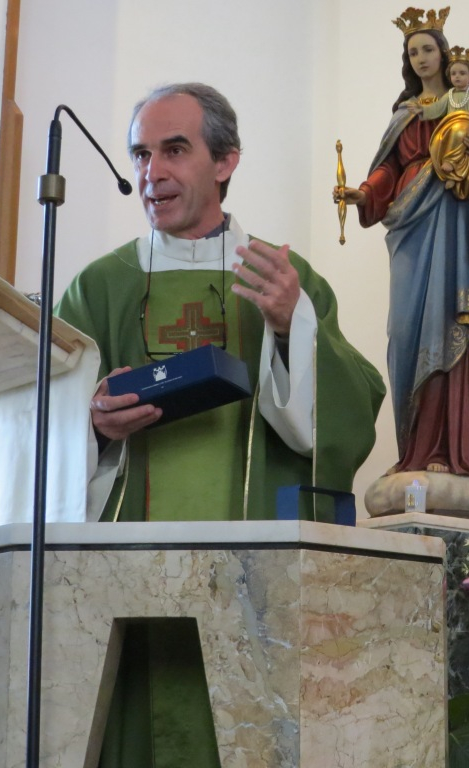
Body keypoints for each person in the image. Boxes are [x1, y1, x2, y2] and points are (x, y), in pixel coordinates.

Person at [54, 82, 385, 768]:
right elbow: (42, 433)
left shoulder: (282, 276)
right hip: (125, 584)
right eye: (141, 153)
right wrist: (93, 427)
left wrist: (292, 326)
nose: (152, 172)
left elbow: (349, 415)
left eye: (175, 150)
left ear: (226, 161)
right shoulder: (98, 287)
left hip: (256, 587)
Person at [333, 7, 469, 476]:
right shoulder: (405, 114)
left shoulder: (468, 107)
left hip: (454, 224)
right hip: (410, 227)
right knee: (405, 332)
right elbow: (389, 169)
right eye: (412, 52)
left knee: (447, 320)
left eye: (427, 49)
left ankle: (445, 452)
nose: (420, 58)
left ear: (443, 53)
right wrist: (364, 194)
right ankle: (411, 450)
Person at [407, 46, 469, 122]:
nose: (457, 76)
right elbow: (437, 108)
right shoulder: (449, 96)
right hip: (451, 128)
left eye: (462, 73)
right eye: (453, 73)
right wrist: (422, 109)